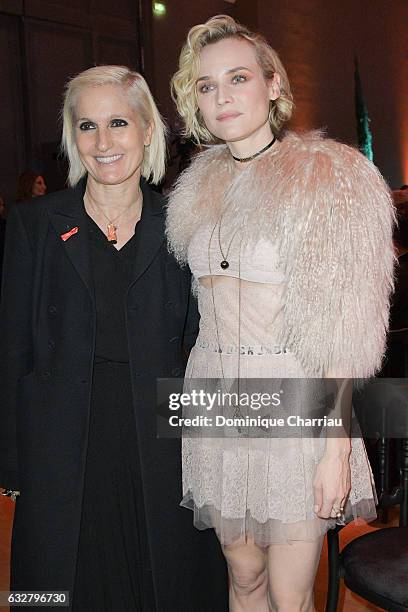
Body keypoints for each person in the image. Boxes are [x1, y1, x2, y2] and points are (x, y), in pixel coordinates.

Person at [167, 15, 395, 612]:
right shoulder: (197, 186)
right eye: (207, 85)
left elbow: (344, 329)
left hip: (299, 405)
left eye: (237, 78)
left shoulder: (327, 179)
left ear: (272, 85)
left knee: (291, 596)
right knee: (243, 576)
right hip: (216, 397)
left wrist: (336, 449)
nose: (221, 97)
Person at [0, 65, 228, 611]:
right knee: (48, 591)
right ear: (71, 136)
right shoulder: (34, 223)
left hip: (163, 444)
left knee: (169, 584)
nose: (103, 143)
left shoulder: (183, 222)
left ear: (148, 130)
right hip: (59, 442)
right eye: (87, 126)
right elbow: (13, 350)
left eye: (119, 123)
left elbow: (205, 342)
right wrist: (10, 465)